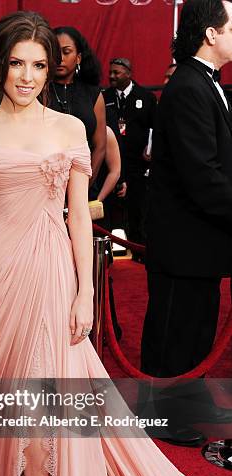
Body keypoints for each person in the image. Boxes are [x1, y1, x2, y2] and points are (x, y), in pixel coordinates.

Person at [0, 10, 232, 476]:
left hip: (52, 274)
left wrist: (83, 292)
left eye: (40, 65)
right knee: (13, 407)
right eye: (18, 63)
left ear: (53, 69)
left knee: (41, 404)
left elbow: (79, 218)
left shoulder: (69, 129)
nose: (27, 76)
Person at [141, 0, 232, 446]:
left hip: (202, 243)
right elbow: (204, 176)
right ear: (211, 33)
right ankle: (163, 415)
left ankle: (190, 400)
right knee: (173, 334)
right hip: (183, 243)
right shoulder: (189, 87)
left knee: (197, 331)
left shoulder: (201, 82)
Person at [103, 58, 156, 259]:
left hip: (137, 165)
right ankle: (106, 253)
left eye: (116, 72)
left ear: (128, 73)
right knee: (109, 212)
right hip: (110, 165)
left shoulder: (146, 97)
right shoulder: (104, 97)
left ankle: (139, 252)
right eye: (111, 72)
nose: (112, 76)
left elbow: (155, 128)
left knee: (137, 210)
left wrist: (150, 150)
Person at [48, 26, 106, 186]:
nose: (60, 58)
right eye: (55, 52)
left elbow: (100, 145)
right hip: (46, 183)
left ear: (78, 58)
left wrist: (85, 184)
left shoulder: (93, 93)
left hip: (85, 182)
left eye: (66, 52)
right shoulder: (39, 90)